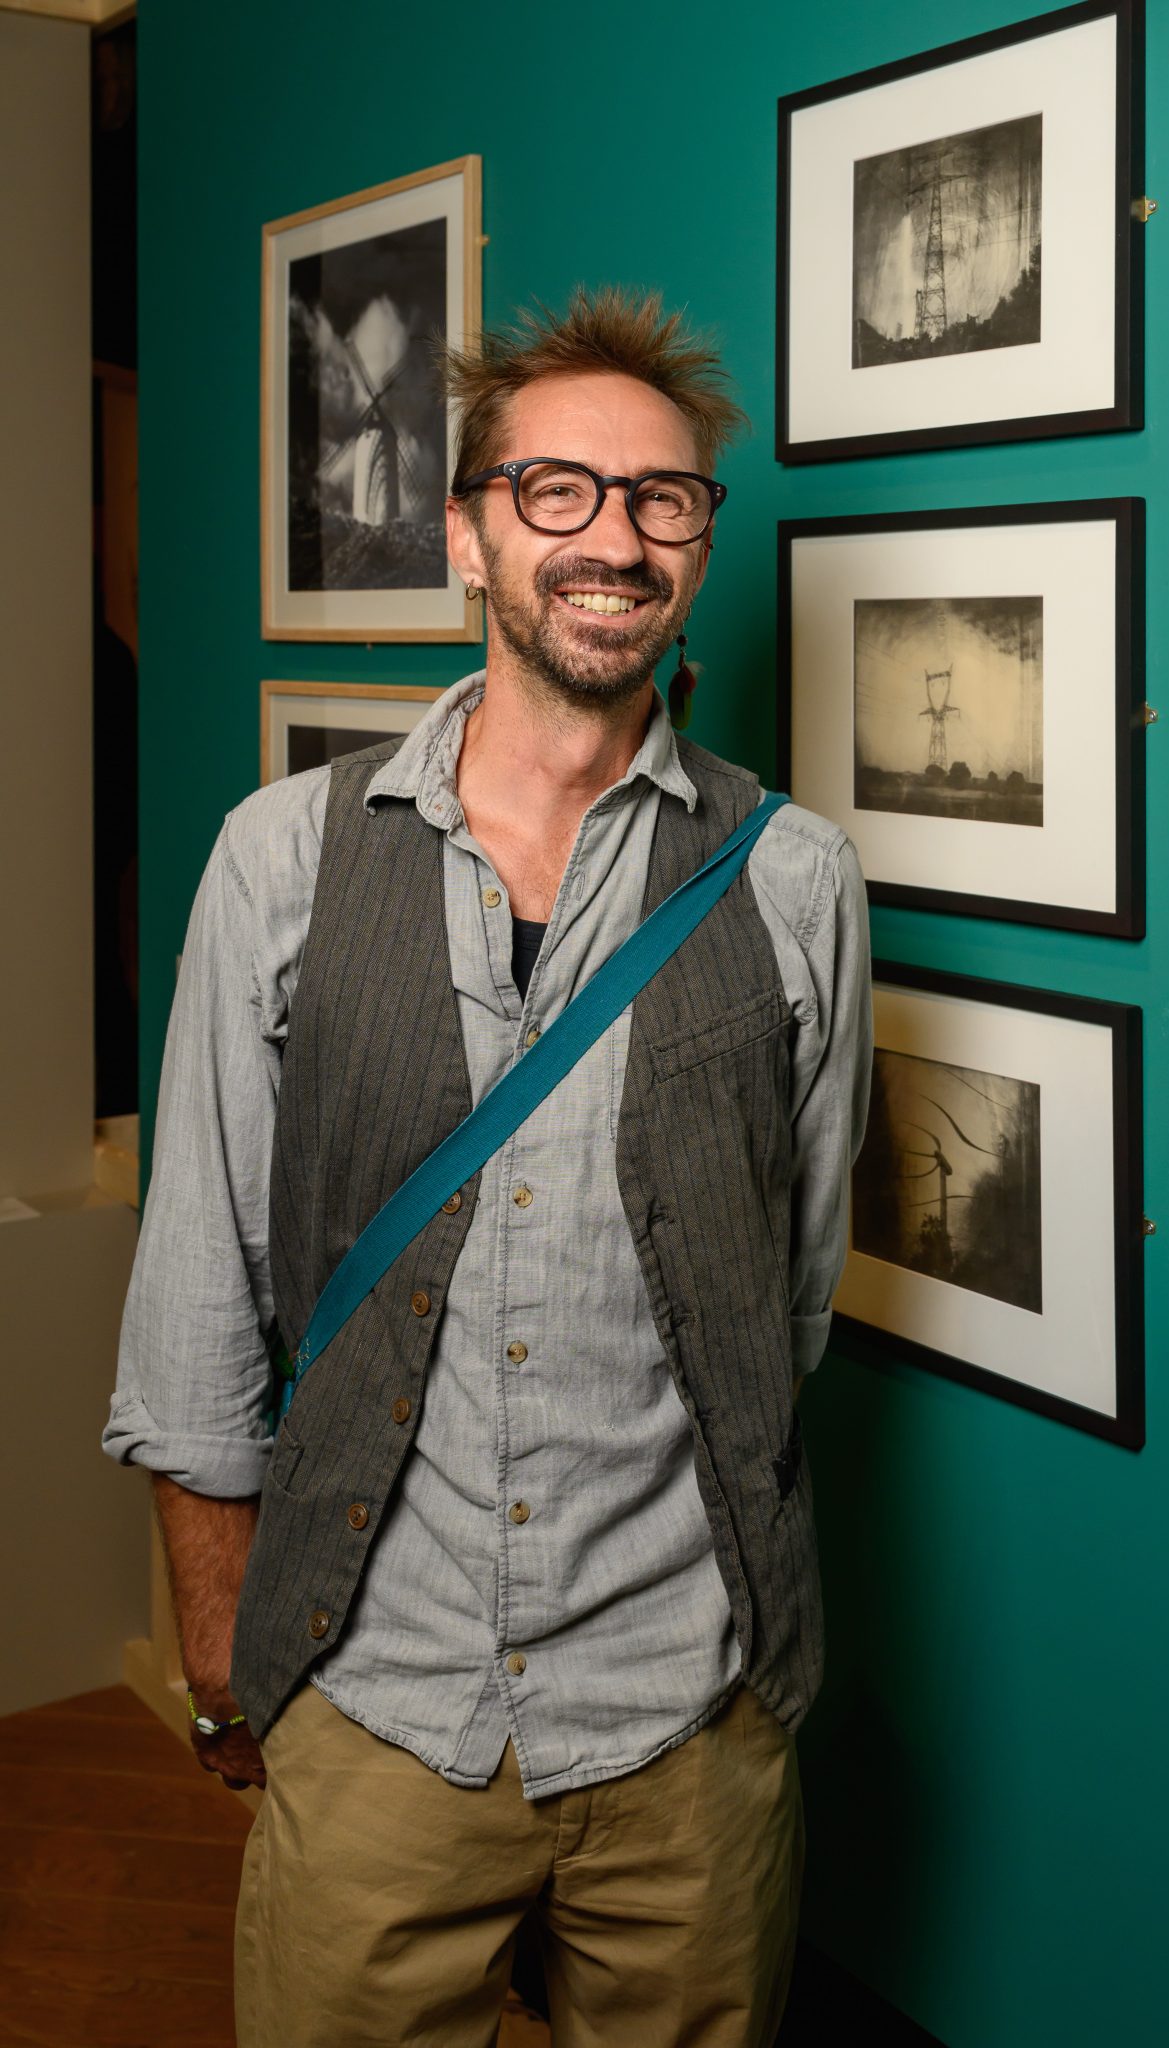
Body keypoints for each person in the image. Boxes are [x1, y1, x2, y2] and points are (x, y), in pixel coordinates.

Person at [104, 286, 872, 2048]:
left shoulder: (798, 879)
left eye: (660, 499)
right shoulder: (280, 857)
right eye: (557, 492)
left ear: (696, 541)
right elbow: (199, 1290)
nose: (613, 539)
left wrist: (735, 1691)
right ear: (465, 534)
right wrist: (231, 1666)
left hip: (689, 1731)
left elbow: (789, 1297)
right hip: (377, 1717)